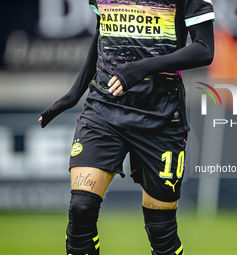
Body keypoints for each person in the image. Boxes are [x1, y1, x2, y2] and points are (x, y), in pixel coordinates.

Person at [39, 0, 215, 254]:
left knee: (161, 234)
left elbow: (204, 49)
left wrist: (142, 68)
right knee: (81, 210)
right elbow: (104, 34)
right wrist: (74, 94)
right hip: (103, 109)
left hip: (161, 117)